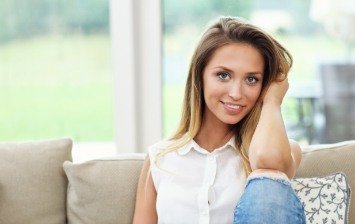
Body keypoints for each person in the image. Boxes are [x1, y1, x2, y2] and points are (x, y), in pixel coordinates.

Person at [133, 16, 306, 224]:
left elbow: (268, 162)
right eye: (223, 75)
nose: (236, 93)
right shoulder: (160, 158)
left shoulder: (282, 153)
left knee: (266, 186)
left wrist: (272, 102)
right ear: (200, 76)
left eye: (252, 79)